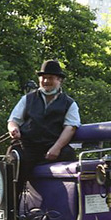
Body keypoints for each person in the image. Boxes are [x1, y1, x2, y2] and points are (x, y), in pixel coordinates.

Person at [7, 59, 81, 191]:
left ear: (59, 80)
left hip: (52, 146)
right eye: (43, 78)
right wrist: (14, 129)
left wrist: (56, 148)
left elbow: (70, 128)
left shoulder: (69, 103)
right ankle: (12, 205)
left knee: (69, 155)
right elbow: (13, 120)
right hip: (28, 146)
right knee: (14, 161)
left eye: (50, 78)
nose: (46, 81)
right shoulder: (27, 99)